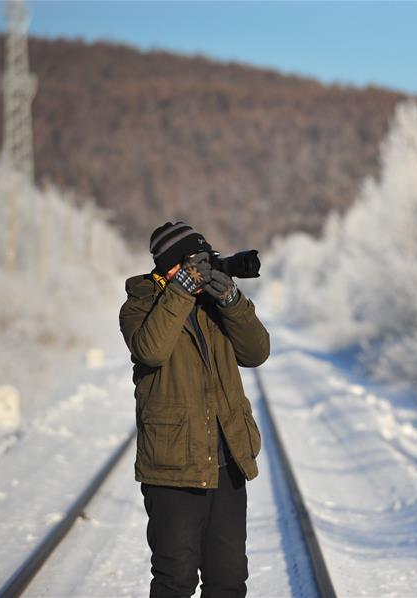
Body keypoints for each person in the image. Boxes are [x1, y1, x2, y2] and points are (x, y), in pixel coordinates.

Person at [119, 220, 271, 597]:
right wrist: (181, 291)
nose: (201, 269)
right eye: (191, 263)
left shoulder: (214, 306)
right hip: (173, 469)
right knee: (176, 580)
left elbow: (257, 352)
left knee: (229, 582)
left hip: (227, 461)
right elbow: (150, 350)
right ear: (171, 267)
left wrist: (232, 302)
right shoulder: (139, 305)